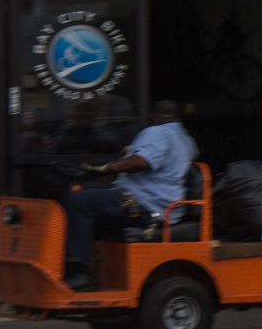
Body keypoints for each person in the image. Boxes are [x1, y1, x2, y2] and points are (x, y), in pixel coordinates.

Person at [62, 100, 198, 291]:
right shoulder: (185, 138)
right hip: (162, 206)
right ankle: (92, 261)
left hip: (144, 205)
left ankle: (81, 271)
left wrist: (107, 168)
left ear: (154, 116)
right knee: (84, 191)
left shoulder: (158, 132)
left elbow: (141, 162)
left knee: (78, 200)